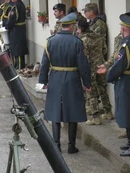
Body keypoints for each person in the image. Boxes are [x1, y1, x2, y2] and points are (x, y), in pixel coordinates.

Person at [39, 12, 91, 153]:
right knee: (72, 112)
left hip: (55, 77)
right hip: (72, 78)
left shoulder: (50, 41)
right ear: (72, 26)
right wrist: (87, 83)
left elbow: (44, 63)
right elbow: (83, 65)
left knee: (55, 111)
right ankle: (71, 145)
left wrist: (43, 81)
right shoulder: (76, 42)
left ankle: (56, 144)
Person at [97, 12, 130, 156]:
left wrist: (109, 75)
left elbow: (120, 64)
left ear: (123, 29)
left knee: (128, 113)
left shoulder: (128, 45)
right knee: (127, 112)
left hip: (126, 81)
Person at [82, 3, 113, 120]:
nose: (85, 13)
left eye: (86, 11)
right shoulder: (92, 23)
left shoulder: (99, 25)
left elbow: (99, 44)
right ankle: (105, 110)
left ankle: (99, 113)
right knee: (100, 87)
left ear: (91, 12)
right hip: (99, 61)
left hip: (96, 62)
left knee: (95, 88)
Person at [78, 20, 105, 125]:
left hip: (90, 68)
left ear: (80, 29)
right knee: (103, 89)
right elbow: (104, 50)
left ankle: (95, 116)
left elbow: (84, 57)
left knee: (91, 92)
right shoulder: (98, 37)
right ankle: (108, 111)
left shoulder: (84, 40)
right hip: (101, 66)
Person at [5, 0, 28, 69]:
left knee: (17, 48)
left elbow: (12, 18)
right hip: (18, 29)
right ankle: (17, 65)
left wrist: (7, 26)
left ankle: (19, 66)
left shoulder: (17, 5)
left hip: (16, 30)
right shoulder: (18, 4)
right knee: (16, 48)